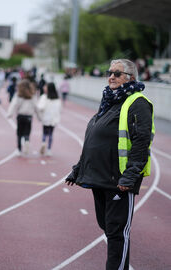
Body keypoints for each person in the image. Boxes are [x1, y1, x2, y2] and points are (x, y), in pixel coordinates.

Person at [65, 59, 155, 270]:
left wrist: (130, 176)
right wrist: (78, 169)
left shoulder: (138, 103)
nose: (111, 76)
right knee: (108, 229)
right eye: (110, 72)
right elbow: (93, 141)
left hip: (119, 181)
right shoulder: (110, 101)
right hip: (99, 178)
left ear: (130, 78)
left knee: (117, 234)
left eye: (117, 73)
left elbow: (142, 143)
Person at [7, 79, 40, 156]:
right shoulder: (32, 96)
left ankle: (19, 150)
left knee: (19, 133)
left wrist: (9, 114)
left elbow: (13, 105)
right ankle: (27, 141)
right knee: (27, 132)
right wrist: (39, 117)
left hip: (20, 116)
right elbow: (36, 107)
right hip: (29, 117)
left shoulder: (18, 95)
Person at [37, 82, 61, 156]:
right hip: (53, 119)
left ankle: (43, 143)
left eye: (45, 87)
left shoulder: (44, 97)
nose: (44, 88)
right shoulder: (57, 99)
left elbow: (40, 107)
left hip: (46, 118)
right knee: (51, 134)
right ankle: (49, 149)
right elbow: (59, 109)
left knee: (44, 133)